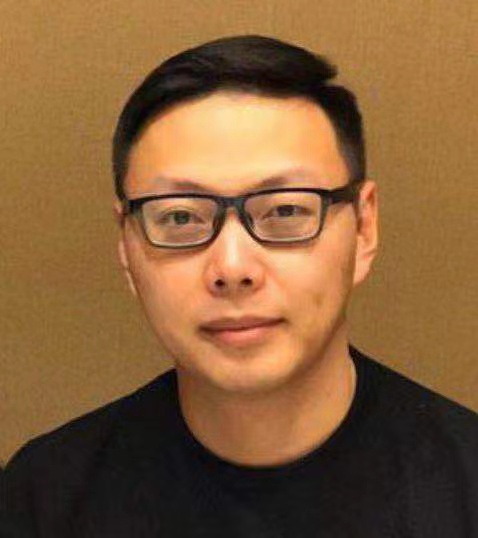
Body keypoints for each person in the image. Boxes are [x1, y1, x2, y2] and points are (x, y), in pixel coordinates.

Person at [3, 34, 478, 538]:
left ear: (364, 229)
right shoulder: (42, 500)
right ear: (126, 246)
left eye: (286, 210)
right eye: (180, 217)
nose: (232, 267)